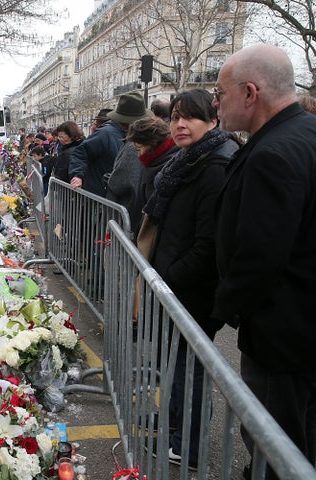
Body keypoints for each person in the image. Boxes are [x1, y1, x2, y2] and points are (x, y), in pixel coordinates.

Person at [211, 43, 316, 479]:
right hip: (303, 328)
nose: (215, 103)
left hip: (281, 334)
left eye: (220, 93)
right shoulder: (305, 132)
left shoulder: (272, 153)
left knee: (276, 443)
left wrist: (218, 312)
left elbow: (259, 256)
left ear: (250, 93)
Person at [138, 88, 239, 470]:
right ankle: (175, 422)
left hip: (193, 289)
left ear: (212, 119)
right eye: (175, 116)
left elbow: (208, 243)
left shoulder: (215, 165)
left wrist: (166, 279)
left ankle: (189, 445)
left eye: (189, 117)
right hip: (178, 284)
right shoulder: (191, 159)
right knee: (178, 362)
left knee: (192, 367)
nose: (179, 124)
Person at [69, 93, 150, 197]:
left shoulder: (138, 136)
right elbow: (80, 153)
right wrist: (78, 175)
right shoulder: (105, 134)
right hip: (100, 196)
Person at [114, 116, 178, 232]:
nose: (139, 156)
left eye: (139, 149)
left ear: (150, 143)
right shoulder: (159, 162)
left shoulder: (167, 166)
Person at [42, 121, 85, 195]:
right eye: (59, 137)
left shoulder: (68, 153)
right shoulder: (81, 146)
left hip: (69, 192)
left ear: (71, 135)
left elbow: (61, 174)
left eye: (62, 137)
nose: (60, 139)